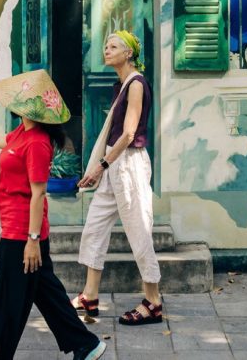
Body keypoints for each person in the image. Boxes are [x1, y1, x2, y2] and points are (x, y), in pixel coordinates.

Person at [0, 69, 106, 360]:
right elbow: (6, 142)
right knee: (46, 294)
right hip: (19, 229)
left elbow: (38, 194)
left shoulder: (37, 142)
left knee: (7, 303)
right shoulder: (23, 133)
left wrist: (33, 240)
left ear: (29, 106)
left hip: (22, 234)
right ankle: (86, 345)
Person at [70, 30, 163, 326]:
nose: (106, 50)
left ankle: (153, 301)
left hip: (128, 165)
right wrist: (103, 165)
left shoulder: (135, 84)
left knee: (138, 231)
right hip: (114, 164)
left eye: (113, 47)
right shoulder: (122, 84)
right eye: (106, 45)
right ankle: (90, 296)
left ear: (128, 54)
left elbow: (130, 133)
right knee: (94, 226)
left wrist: (100, 166)